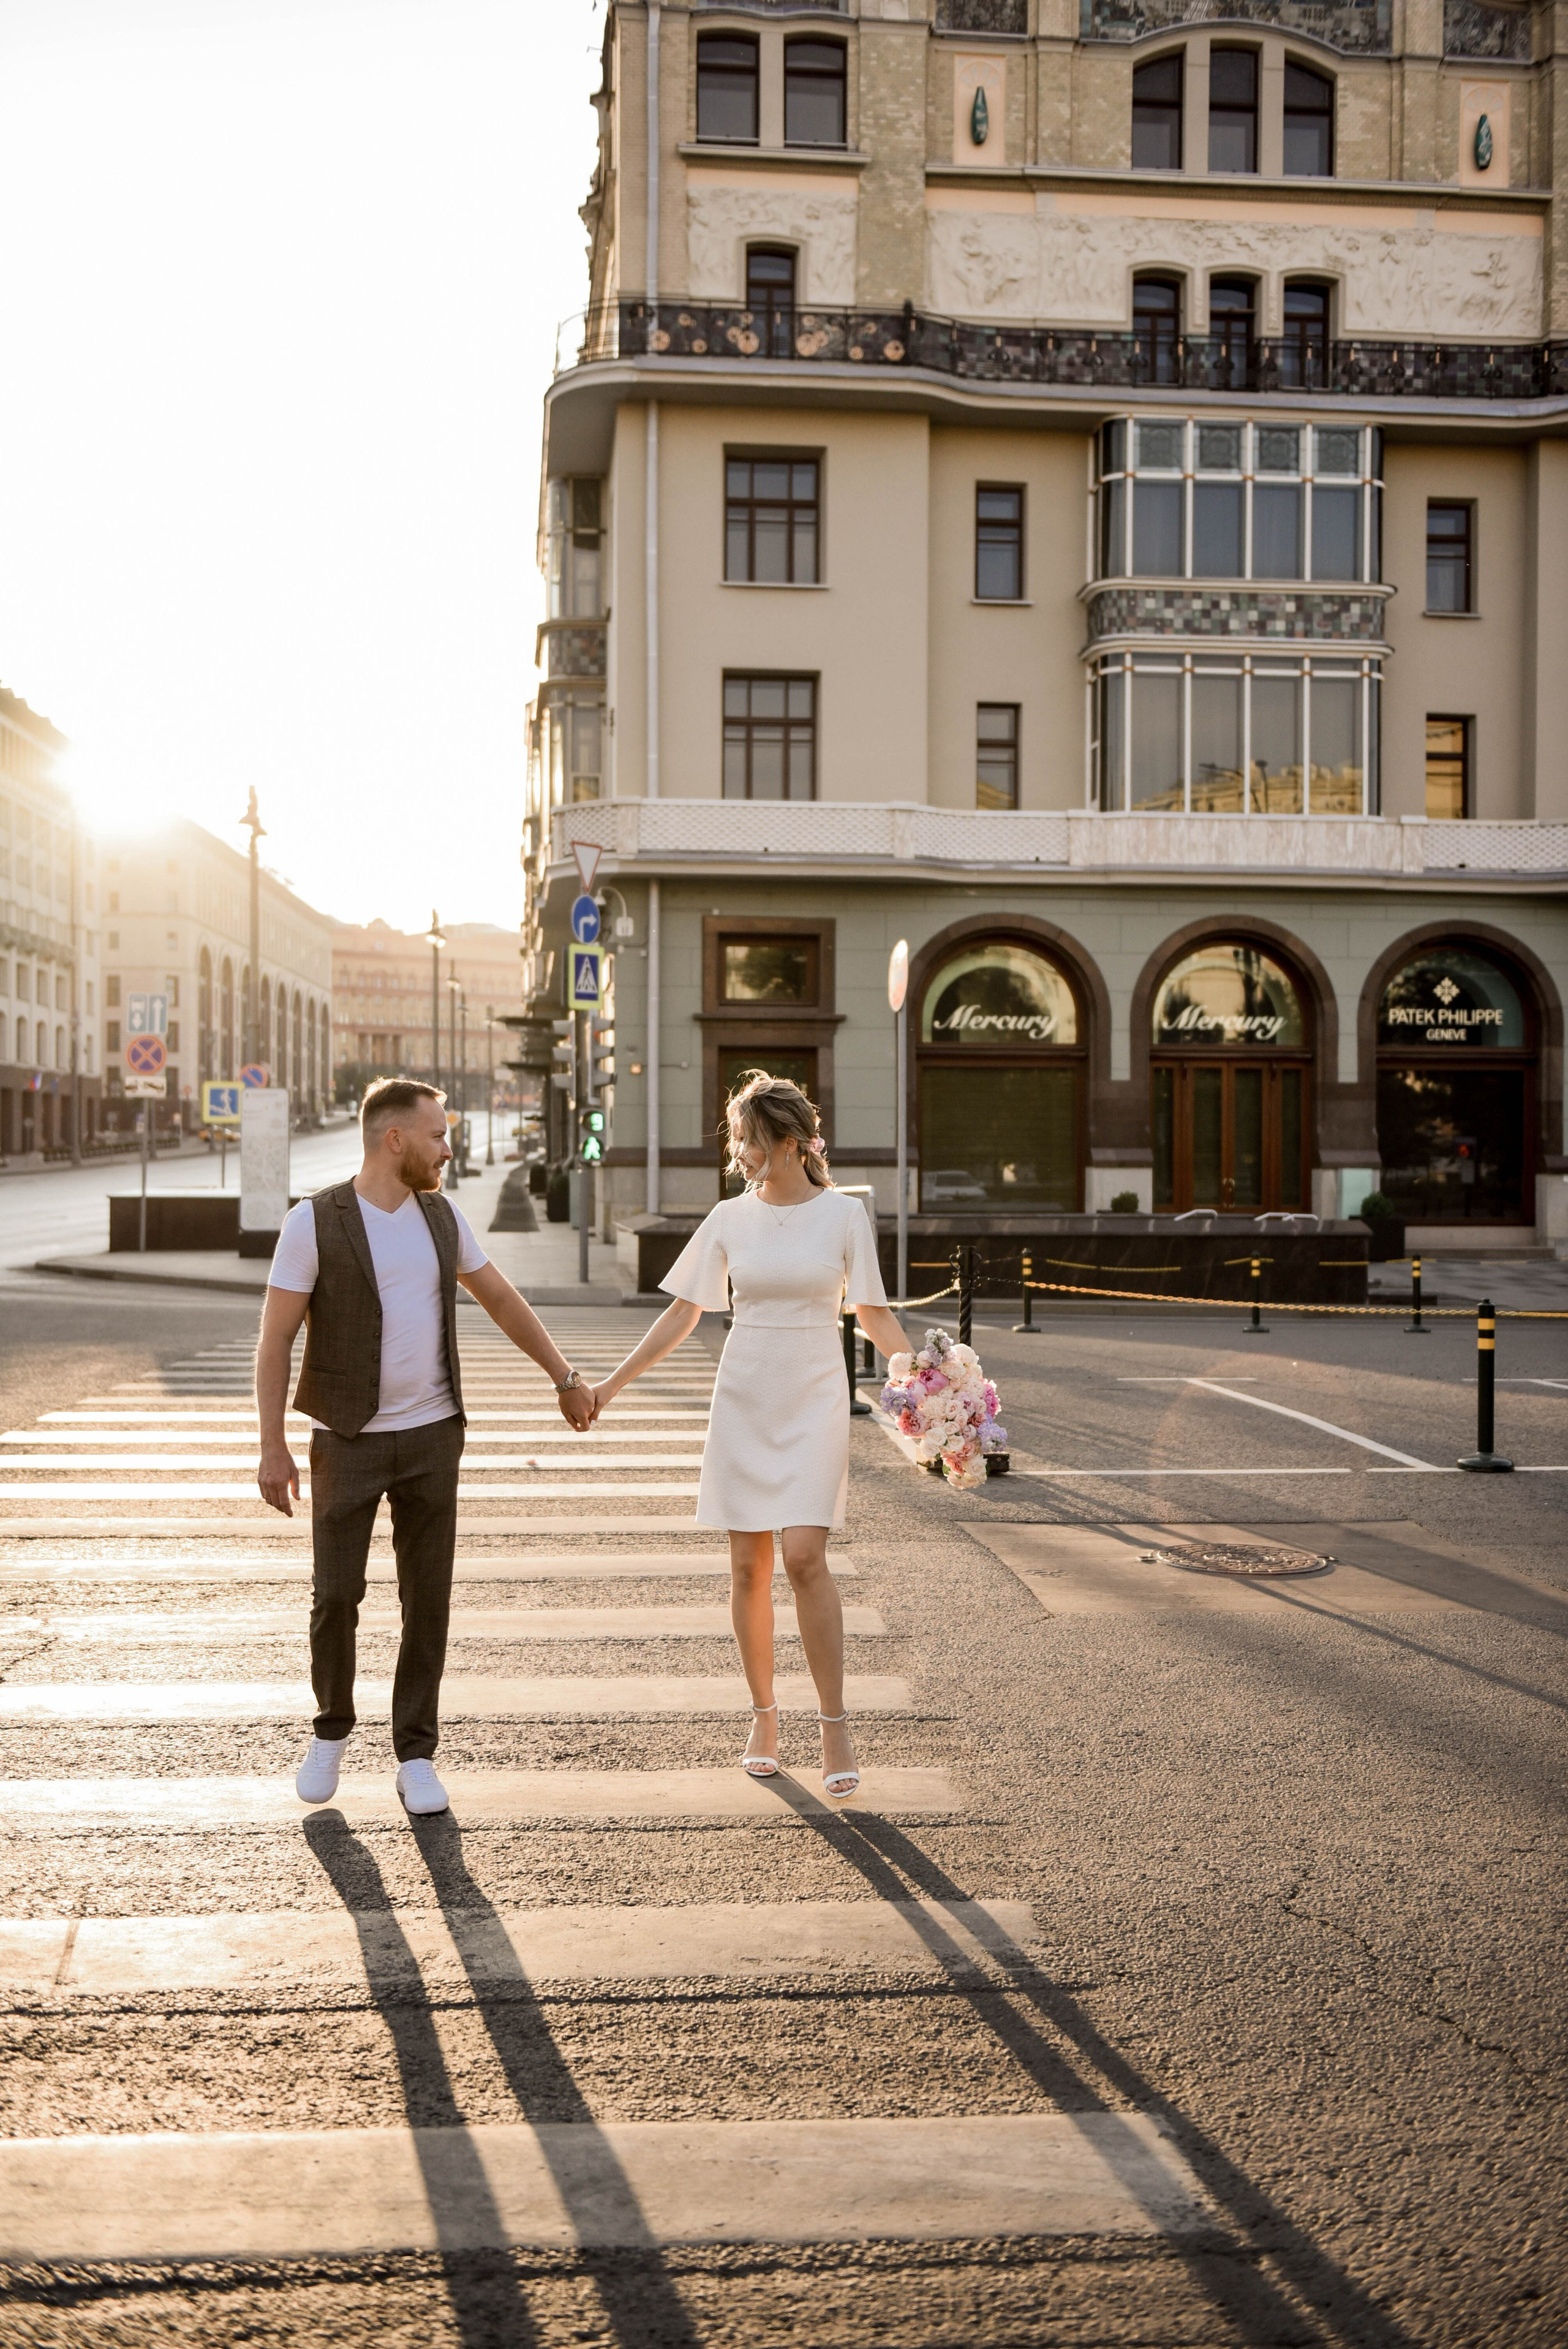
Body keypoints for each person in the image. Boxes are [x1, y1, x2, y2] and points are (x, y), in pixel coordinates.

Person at [255, 1077, 594, 1816]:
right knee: (335, 1596)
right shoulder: (314, 1221)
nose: (449, 1146)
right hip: (346, 1439)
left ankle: (415, 1754)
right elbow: (276, 1338)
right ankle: (332, 1730)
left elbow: (500, 1296)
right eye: (438, 1134)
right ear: (395, 1139)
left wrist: (563, 1374)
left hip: (434, 1436)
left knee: (426, 1601)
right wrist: (272, 1445)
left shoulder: (441, 1216)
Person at [589, 1071, 909, 1797]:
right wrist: (611, 1385)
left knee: (802, 1557)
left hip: (814, 1393)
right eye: (736, 1139)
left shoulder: (843, 1217)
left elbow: (873, 1313)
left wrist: (927, 1375)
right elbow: (681, 1314)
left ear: (790, 1143)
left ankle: (833, 1721)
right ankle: (764, 1715)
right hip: (745, 1393)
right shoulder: (729, 1218)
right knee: (747, 1569)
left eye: (747, 1139)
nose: (737, 1153)